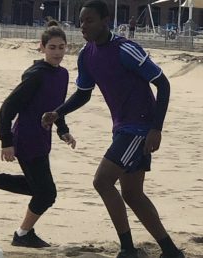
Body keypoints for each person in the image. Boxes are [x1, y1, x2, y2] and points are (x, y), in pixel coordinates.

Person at [41, 1, 185, 258]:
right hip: (122, 128)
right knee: (132, 193)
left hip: (139, 128)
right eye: (81, 20)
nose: (83, 25)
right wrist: (58, 112)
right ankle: (171, 251)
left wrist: (156, 129)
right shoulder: (87, 54)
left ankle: (128, 250)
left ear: (105, 20)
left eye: (89, 20)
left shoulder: (125, 49)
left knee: (102, 181)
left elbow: (163, 84)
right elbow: (84, 94)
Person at [0, 20, 76, 248]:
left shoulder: (63, 74)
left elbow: (56, 108)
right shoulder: (36, 76)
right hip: (26, 140)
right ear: (42, 47)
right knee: (46, 194)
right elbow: (7, 108)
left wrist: (63, 131)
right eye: (52, 47)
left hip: (41, 140)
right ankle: (23, 234)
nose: (57, 52)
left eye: (61, 47)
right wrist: (6, 142)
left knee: (38, 186)